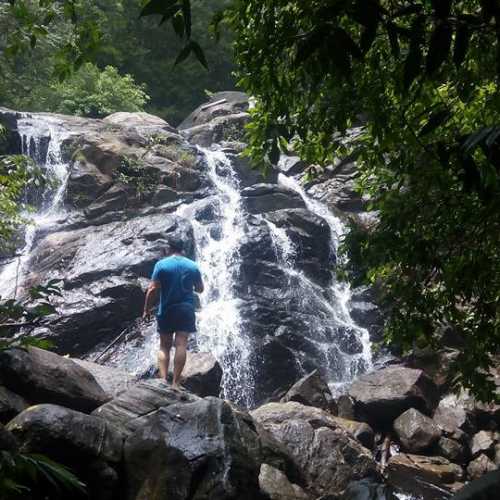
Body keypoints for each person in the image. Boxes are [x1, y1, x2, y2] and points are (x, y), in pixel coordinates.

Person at [143, 237, 204, 388]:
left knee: (164, 346)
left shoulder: (161, 265)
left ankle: (163, 381)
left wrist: (146, 309)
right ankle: (176, 383)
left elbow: (152, 289)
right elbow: (200, 289)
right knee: (181, 344)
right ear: (182, 249)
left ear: (168, 248)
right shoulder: (193, 266)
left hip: (167, 308)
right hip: (186, 309)